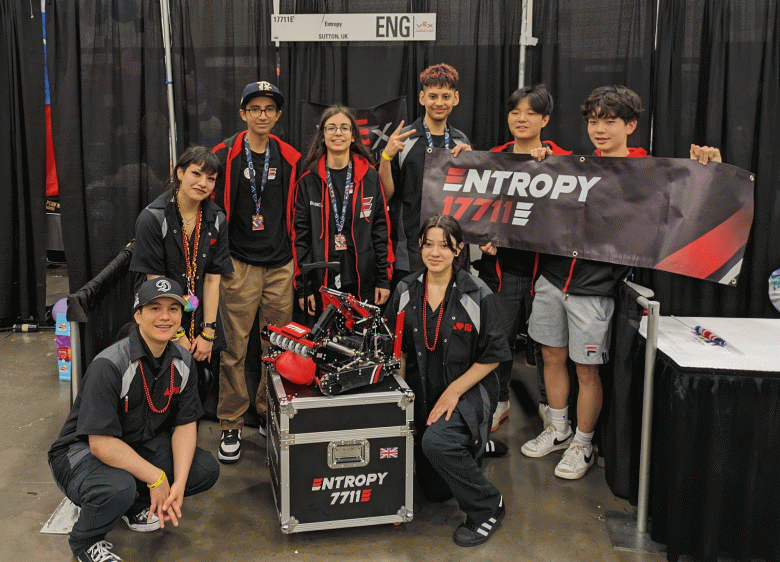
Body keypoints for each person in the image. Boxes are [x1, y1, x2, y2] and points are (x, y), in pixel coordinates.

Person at [521, 85, 722, 480]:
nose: (599, 129)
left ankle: (583, 442)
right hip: (552, 278)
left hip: (594, 288)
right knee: (550, 357)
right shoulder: (572, 165)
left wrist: (710, 167)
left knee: (586, 369)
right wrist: (540, 160)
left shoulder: (650, 172)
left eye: (609, 121)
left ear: (630, 125)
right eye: (594, 121)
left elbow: (696, 200)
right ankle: (558, 429)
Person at [47, 277, 220, 562]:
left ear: (181, 317)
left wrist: (176, 485)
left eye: (173, 309)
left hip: (136, 442)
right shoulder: (111, 364)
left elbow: (186, 425)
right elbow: (100, 444)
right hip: (79, 452)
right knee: (119, 487)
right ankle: (85, 542)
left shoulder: (182, 361)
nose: (165, 316)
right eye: (154, 308)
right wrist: (156, 477)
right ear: (138, 314)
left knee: (202, 469)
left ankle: (133, 506)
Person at [385, 215, 511, 547]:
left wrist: (454, 392)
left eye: (445, 245)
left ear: (458, 250)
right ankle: (472, 448)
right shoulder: (404, 290)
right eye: (429, 244)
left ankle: (487, 505)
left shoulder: (477, 293)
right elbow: (397, 354)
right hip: (423, 393)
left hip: (469, 390)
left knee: (436, 443)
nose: (435, 252)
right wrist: (401, 405)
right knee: (436, 492)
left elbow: (494, 354)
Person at [211, 81, 301, 464]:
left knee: (276, 348)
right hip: (240, 266)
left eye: (270, 109)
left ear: (278, 115)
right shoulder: (224, 154)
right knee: (234, 347)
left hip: (280, 265)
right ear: (244, 113)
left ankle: (268, 412)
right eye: (255, 108)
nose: (263, 115)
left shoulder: (292, 157)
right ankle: (230, 422)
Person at [478, 84, 572, 433]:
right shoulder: (493, 157)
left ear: (545, 119)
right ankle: (499, 402)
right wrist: (481, 239)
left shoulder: (563, 159)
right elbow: (477, 209)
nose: (522, 118)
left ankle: (551, 407)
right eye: (516, 111)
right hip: (503, 269)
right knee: (497, 339)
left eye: (531, 112)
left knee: (550, 347)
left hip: (549, 271)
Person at [131, 146, 232, 404]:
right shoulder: (153, 218)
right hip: (160, 313)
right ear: (179, 172)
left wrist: (208, 333)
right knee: (159, 383)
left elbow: (212, 278)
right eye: (196, 174)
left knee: (196, 384)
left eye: (210, 178)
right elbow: (155, 283)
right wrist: (175, 333)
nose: (203, 183)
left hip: (199, 315)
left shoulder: (216, 218)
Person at [292, 105, 393, 313]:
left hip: (363, 280)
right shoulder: (308, 180)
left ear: (353, 136)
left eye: (344, 128)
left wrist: (383, 280)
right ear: (322, 136)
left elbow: (381, 231)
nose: (338, 132)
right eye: (331, 128)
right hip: (322, 281)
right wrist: (304, 287)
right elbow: (300, 238)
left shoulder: (370, 176)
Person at [378, 63, 471, 280]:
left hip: (451, 249)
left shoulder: (461, 142)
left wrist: (471, 163)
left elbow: (471, 199)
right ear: (422, 98)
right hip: (411, 248)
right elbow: (387, 195)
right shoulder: (405, 139)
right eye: (433, 96)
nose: (439, 103)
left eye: (446, 96)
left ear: (455, 98)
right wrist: (386, 157)